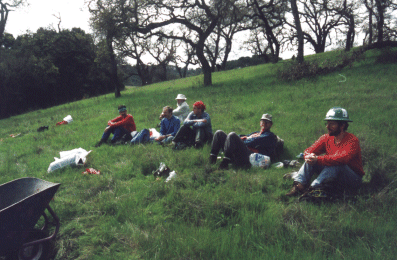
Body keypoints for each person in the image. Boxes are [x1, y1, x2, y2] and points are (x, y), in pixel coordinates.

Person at [286, 107, 364, 197]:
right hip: (334, 172)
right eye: (327, 123)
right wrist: (309, 156)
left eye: (332, 124)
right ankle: (299, 186)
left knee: (336, 165)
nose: (327, 126)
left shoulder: (352, 140)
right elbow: (309, 150)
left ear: (342, 125)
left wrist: (317, 159)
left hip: (353, 179)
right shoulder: (326, 138)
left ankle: (313, 189)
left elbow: (343, 159)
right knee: (310, 159)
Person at [209, 114, 277, 169]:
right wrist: (237, 139)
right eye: (263, 121)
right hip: (241, 151)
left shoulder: (269, 136)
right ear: (260, 123)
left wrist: (237, 140)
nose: (264, 123)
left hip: (249, 156)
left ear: (271, 124)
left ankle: (225, 163)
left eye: (267, 122)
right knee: (219, 133)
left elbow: (254, 141)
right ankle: (212, 160)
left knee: (232, 135)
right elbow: (243, 136)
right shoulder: (256, 133)